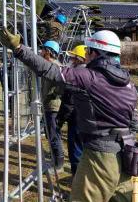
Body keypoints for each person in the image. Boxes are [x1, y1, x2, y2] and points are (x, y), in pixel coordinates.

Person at [1, 29, 138, 201]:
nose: (86, 56)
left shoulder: (88, 77)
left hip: (100, 157)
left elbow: (49, 70)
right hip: (126, 155)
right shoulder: (129, 85)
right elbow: (134, 123)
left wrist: (19, 48)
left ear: (96, 53)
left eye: (87, 51)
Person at [56, 45, 86, 176]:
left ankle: (77, 184)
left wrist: (59, 121)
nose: (70, 60)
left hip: (77, 120)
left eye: (73, 58)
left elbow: (69, 103)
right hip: (90, 121)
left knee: (76, 153)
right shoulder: (93, 73)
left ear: (79, 59)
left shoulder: (75, 76)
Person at [40, 40, 65, 170]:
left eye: (43, 49)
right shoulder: (49, 65)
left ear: (48, 52)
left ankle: (58, 164)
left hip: (53, 106)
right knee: (50, 133)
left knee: (54, 134)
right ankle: (55, 158)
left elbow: (62, 86)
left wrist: (54, 94)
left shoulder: (54, 66)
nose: (41, 51)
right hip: (49, 105)